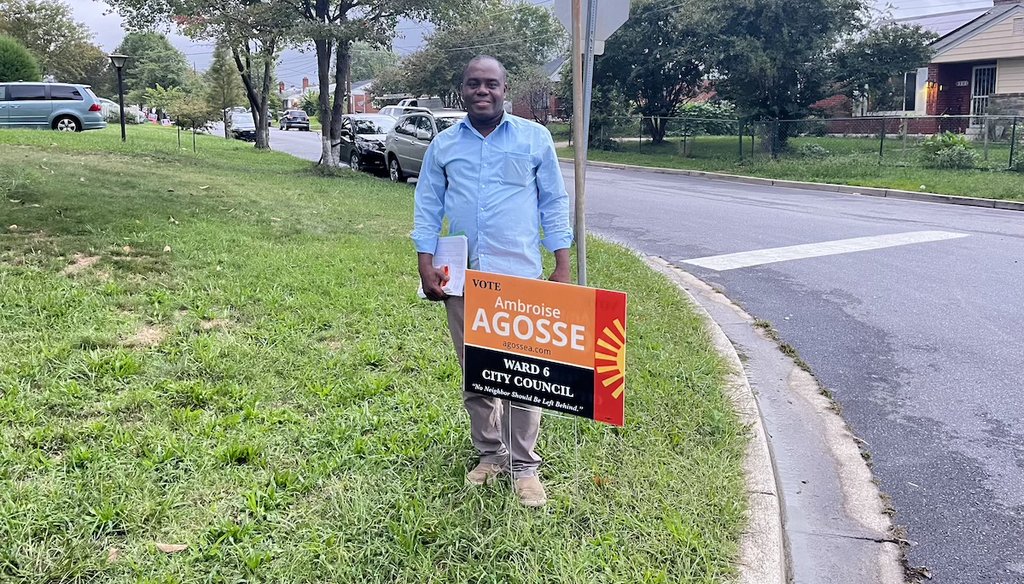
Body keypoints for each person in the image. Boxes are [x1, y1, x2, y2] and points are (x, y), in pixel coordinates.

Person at [411, 55, 573, 508]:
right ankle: (491, 454)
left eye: (491, 84)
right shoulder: (443, 146)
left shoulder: (534, 139)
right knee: (476, 373)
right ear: (461, 90)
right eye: (473, 84)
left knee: (524, 377)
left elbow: (553, 204)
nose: (482, 91)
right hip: (462, 278)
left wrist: (561, 265)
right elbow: (428, 207)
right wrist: (424, 264)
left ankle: (525, 466)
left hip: (520, 278)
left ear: (505, 89)